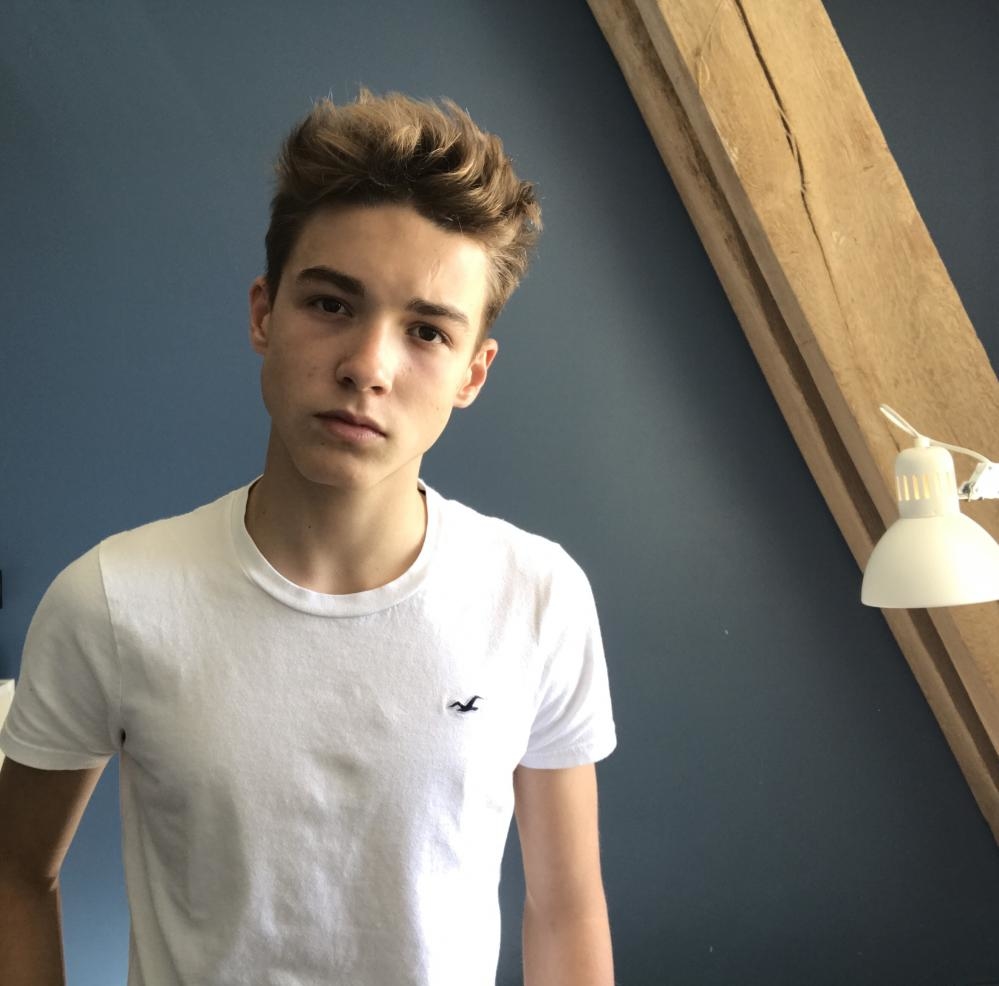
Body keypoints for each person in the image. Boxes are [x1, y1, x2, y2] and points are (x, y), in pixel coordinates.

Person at [0, 90, 616, 986]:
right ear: (264, 313)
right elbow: (14, 871)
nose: (367, 366)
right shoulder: (112, 599)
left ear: (472, 373)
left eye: (426, 331)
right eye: (331, 304)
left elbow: (564, 908)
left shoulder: (536, 595)